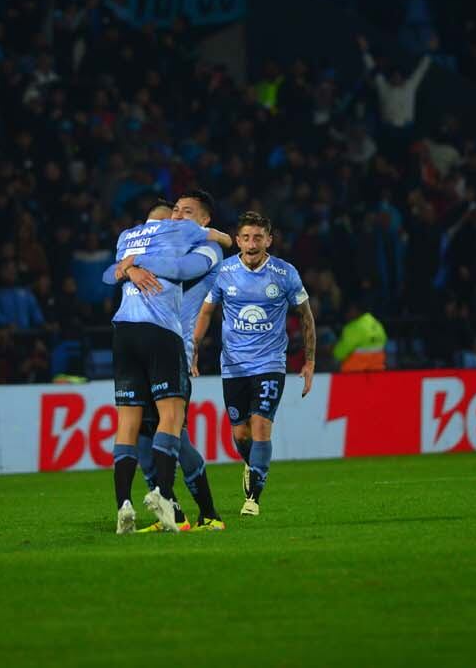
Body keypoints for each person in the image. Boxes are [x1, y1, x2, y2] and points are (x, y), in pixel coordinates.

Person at [101, 202, 227, 533]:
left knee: (169, 435)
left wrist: (131, 262)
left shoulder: (208, 248)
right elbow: (111, 272)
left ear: (203, 219)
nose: (178, 217)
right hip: (155, 336)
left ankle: (204, 513)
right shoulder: (172, 236)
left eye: (186, 212)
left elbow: (184, 269)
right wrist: (129, 268)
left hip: (169, 343)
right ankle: (169, 510)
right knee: (155, 434)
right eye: (175, 211)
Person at [191, 211, 316, 517]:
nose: (251, 243)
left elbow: (306, 316)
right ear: (237, 241)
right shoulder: (224, 272)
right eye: (246, 237)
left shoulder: (285, 274)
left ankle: (253, 497)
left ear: (268, 241)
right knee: (240, 434)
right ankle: (252, 465)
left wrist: (310, 361)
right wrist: (193, 348)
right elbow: (206, 312)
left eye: (258, 237)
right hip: (233, 365)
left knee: (260, 427)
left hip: (270, 362)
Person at [332, 302, 387, 371]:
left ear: (355, 310)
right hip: (378, 370)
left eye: (348, 311)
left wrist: (333, 352)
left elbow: (339, 353)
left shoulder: (354, 327)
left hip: (355, 372)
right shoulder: (374, 322)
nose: (346, 314)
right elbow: (385, 340)